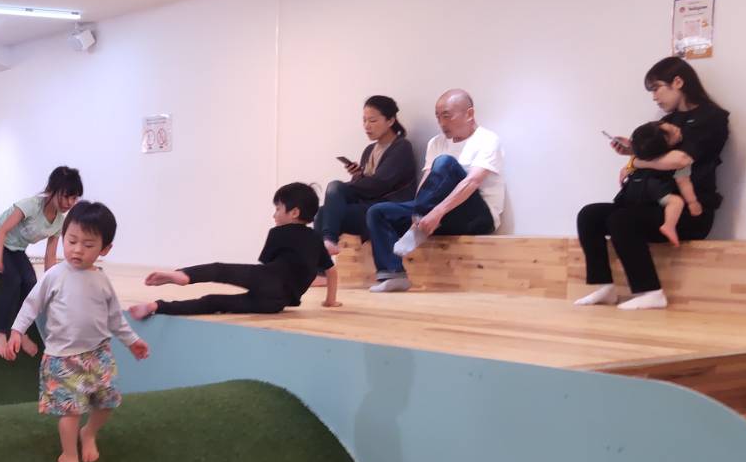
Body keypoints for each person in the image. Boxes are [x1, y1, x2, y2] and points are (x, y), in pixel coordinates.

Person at [3, 201, 149, 462]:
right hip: (63, 358)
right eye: (71, 241)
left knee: (106, 403)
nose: (77, 250)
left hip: (99, 354)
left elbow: (114, 318)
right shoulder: (55, 275)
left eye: (88, 244)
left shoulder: (102, 280)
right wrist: (17, 331)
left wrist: (132, 341)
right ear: (63, 237)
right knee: (71, 412)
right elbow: (31, 305)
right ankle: (68, 456)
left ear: (105, 249)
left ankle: (89, 433)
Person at [576, 56, 729, 310]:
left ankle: (651, 292)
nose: (655, 98)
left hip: (689, 211)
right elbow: (659, 156)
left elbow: (680, 159)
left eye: (657, 88)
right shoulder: (669, 121)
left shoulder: (712, 118)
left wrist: (637, 160)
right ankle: (606, 287)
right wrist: (633, 150)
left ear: (678, 82)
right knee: (589, 215)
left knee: (621, 219)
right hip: (652, 203)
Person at [128, 182, 339, 319]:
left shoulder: (278, 233)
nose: (274, 215)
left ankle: (183, 276)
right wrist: (330, 300)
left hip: (267, 279)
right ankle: (156, 307)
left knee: (219, 271)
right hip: (276, 303)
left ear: (294, 212)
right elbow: (331, 271)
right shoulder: (316, 239)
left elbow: (266, 266)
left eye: (277, 209)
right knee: (214, 303)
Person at [366, 90, 506, 292]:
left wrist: (435, 213)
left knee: (445, 163)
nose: (441, 123)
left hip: (477, 216)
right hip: (435, 216)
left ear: (469, 114)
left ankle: (419, 226)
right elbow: (427, 182)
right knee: (378, 212)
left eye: (447, 116)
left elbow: (472, 182)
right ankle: (393, 274)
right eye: (438, 117)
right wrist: (418, 212)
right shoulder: (436, 142)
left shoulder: (488, 139)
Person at [0, 165, 83, 359]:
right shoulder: (30, 206)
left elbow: (50, 256)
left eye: (74, 198)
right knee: (13, 280)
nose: (70, 202)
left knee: (30, 282)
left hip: (16, 249)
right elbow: (2, 231)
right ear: (52, 190)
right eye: (66, 196)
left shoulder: (59, 222)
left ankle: (19, 331)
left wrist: (52, 284)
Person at [316, 96, 417, 256]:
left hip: (386, 210)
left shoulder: (401, 147)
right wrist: (358, 176)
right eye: (364, 120)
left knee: (335, 188)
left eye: (372, 120)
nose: (366, 126)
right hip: (367, 206)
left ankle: (328, 243)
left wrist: (354, 183)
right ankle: (323, 256)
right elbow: (366, 187)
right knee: (323, 212)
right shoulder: (369, 150)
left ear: (390, 121)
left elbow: (380, 184)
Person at [621, 121, 700, 246]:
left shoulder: (644, 156)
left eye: (672, 126)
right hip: (656, 190)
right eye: (672, 132)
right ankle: (669, 226)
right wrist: (692, 202)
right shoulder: (677, 159)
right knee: (676, 202)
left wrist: (632, 150)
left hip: (640, 192)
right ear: (666, 145)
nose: (677, 128)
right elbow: (683, 182)